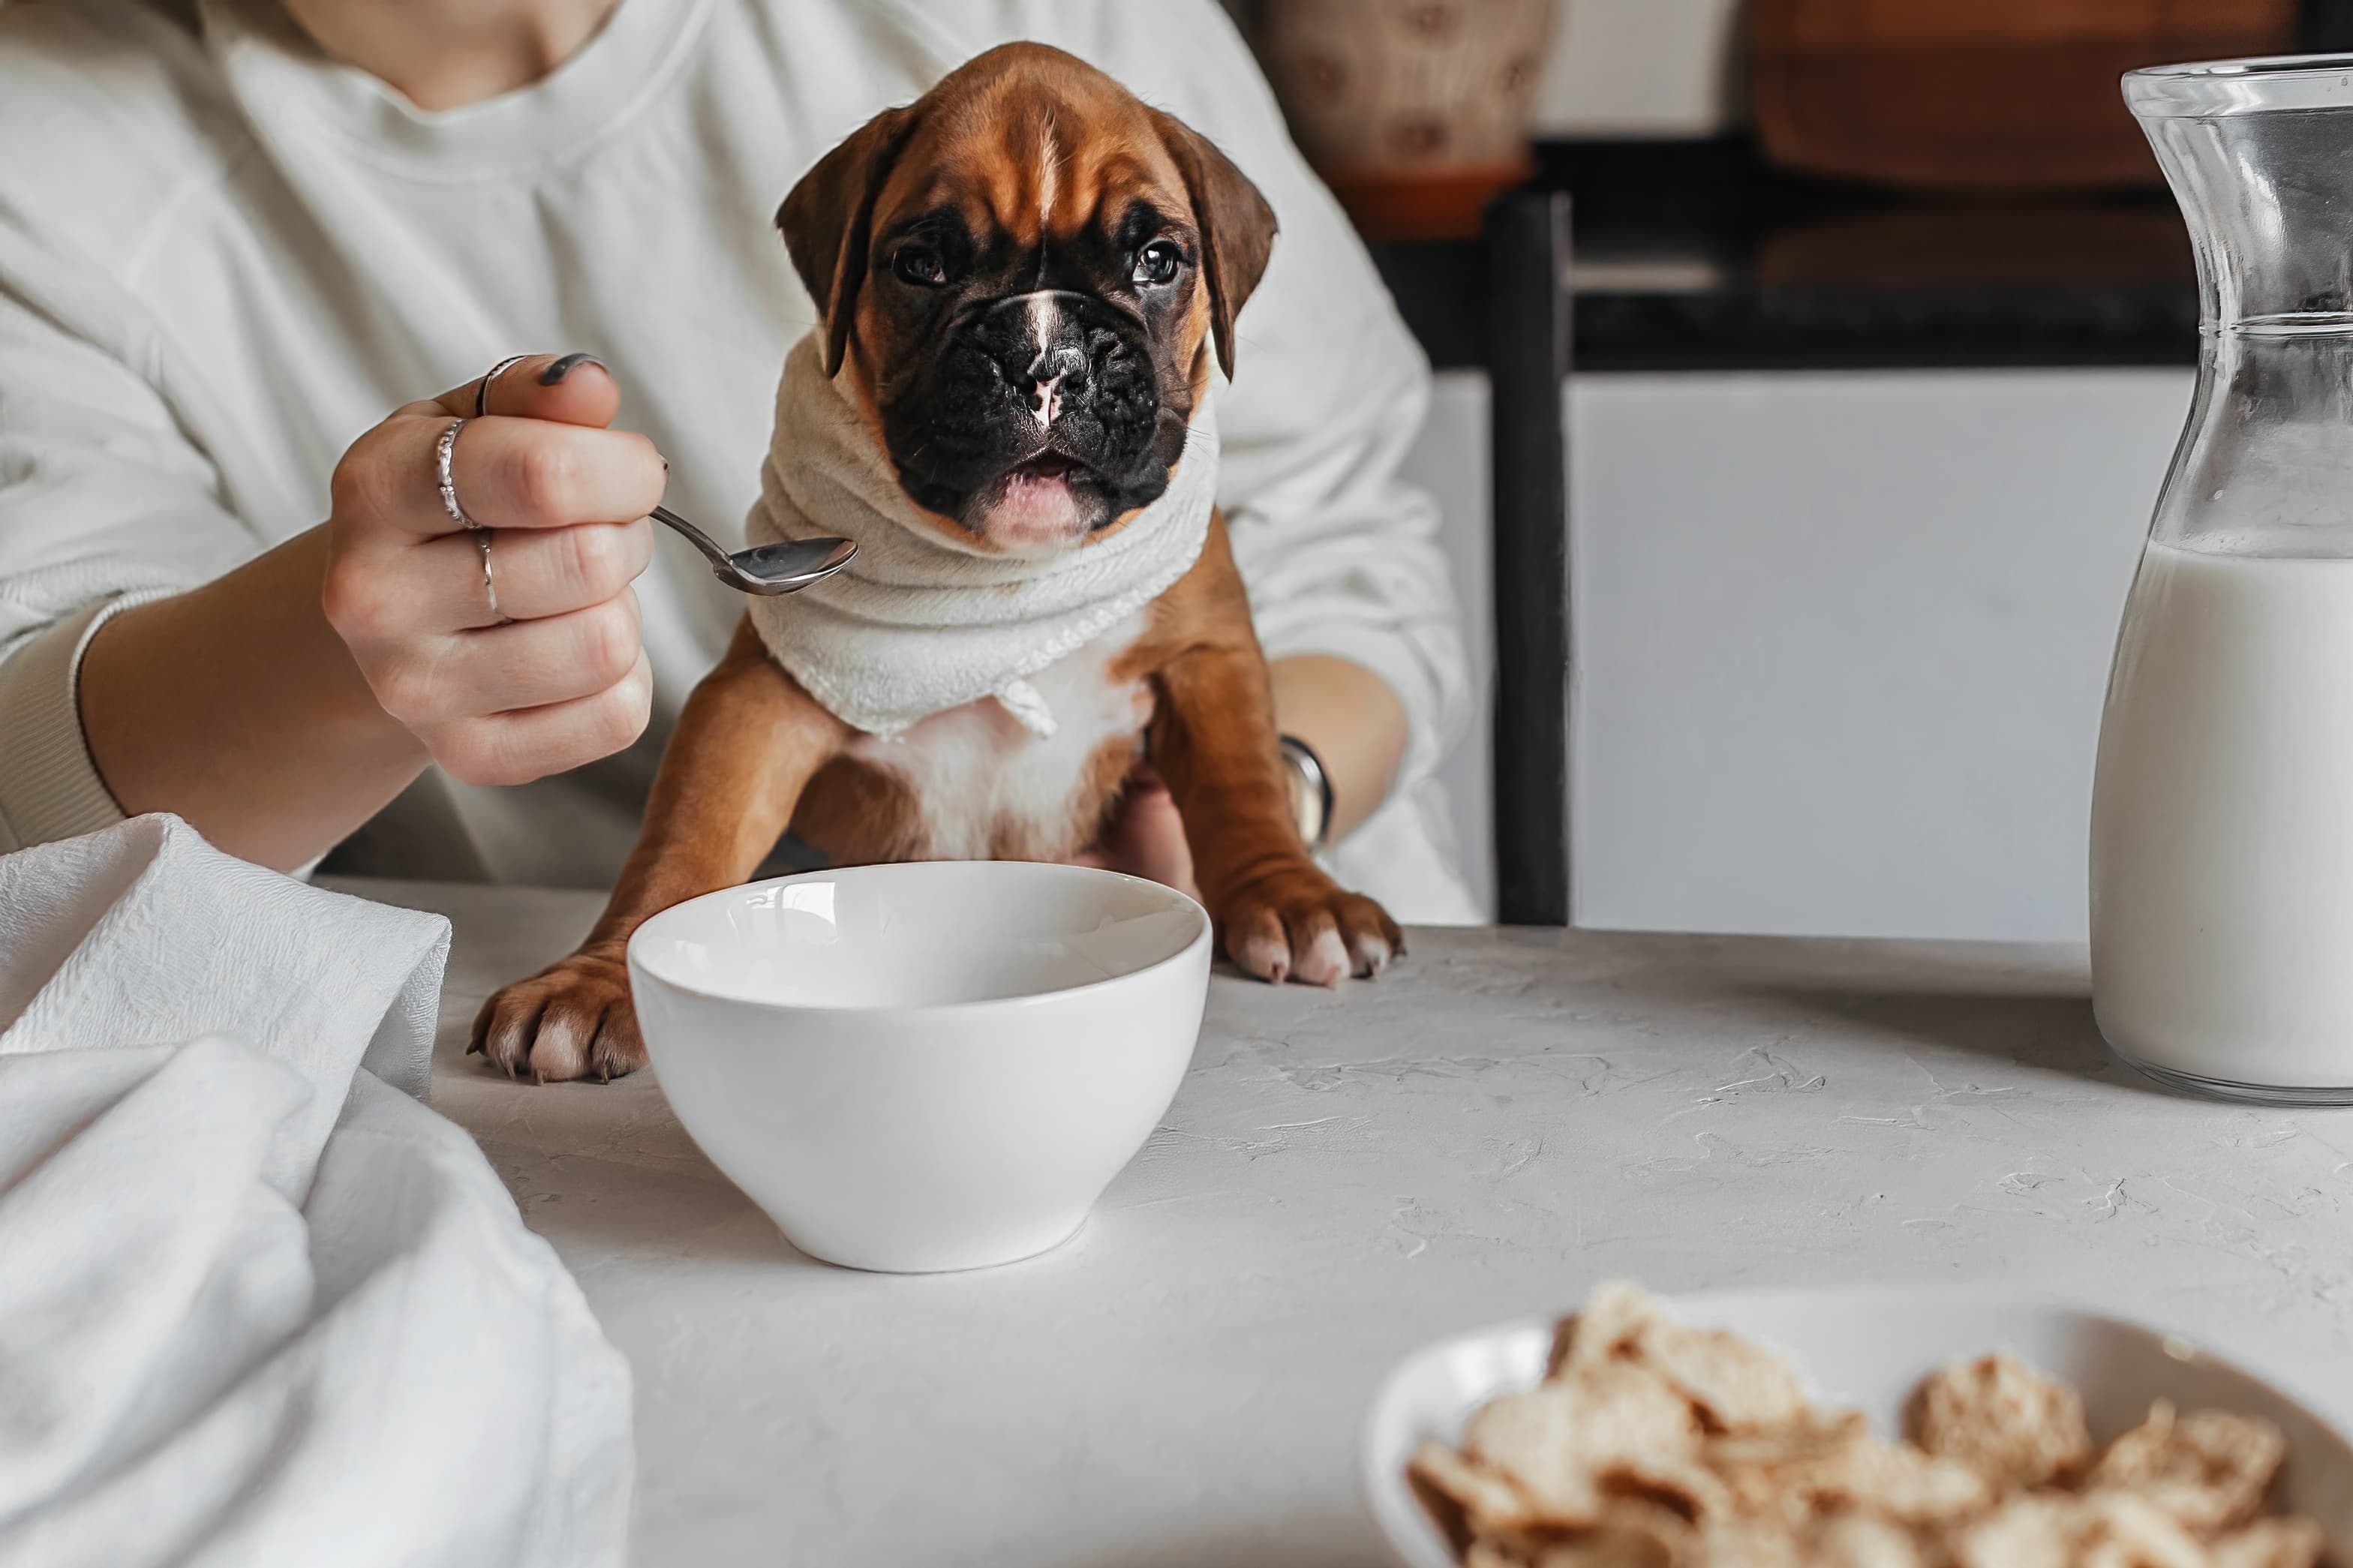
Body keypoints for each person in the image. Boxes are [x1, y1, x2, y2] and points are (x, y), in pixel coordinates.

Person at [0, 0, 1480, 924]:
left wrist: (1246, 823)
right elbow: (38, 815)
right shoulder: (50, 146)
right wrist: (346, 653)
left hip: (1266, 995)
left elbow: (1354, 536)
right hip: (647, 1073)